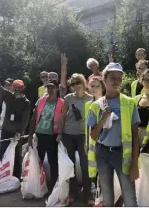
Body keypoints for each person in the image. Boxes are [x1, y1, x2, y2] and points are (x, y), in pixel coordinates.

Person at [87, 62, 140, 206]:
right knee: (107, 194)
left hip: (122, 154)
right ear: (104, 79)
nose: (116, 81)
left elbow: (135, 135)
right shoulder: (95, 106)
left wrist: (135, 163)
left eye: (119, 78)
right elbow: (93, 135)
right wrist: (102, 119)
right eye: (112, 77)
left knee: (129, 195)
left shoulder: (129, 103)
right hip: (102, 153)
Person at [0, 61, 30, 180]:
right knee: (3, 152)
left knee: (17, 154)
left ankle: (16, 176)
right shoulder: (7, 95)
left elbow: (25, 119)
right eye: (15, 87)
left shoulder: (26, 102)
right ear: (12, 87)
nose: (17, 89)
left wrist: (19, 132)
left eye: (19, 88)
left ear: (23, 88)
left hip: (17, 131)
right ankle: (2, 176)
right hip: (6, 129)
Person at [58, 73, 93, 205]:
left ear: (83, 83)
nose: (75, 86)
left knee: (85, 165)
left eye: (78, 82)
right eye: (72, 84)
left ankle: (88, 193)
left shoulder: (91, 98)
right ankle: (72, 192)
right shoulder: (67, 98)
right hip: (68, 134)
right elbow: (62, 117)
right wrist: (60, 133)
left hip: (84, 135)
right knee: (70, 164)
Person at [28, 80, 64, 191]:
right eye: (47, 87)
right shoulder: (41, 100)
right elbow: (34, 118)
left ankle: (54, 188)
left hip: (52, 136)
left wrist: (60, 134)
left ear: (57, 88)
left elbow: (63, 120)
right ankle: (37, 186)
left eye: (52, 87)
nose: (49, 89)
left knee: (53, 162)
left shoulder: (61, 102)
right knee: (38, 161)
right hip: (39, 135)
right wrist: (30, 136)